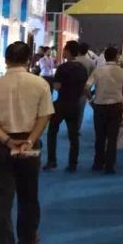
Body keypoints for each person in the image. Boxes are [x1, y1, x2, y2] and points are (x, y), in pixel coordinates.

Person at [0, 41, 53, 244]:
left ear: (6, 59)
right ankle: (27, 240)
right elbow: (44, 116)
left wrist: (8, 141)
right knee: (29, 194)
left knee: (2, 200)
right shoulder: (40, 84)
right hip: (30, 143)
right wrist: (29, 141)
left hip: (2, 146)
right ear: (29, 60)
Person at [45, 40, 89, 172]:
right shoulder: (82, 68)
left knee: (52, 132)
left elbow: (57, 87)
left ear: (68, 51)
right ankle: (73, 164)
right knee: (74, 136)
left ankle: (52, 161)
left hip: (61, 103)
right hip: (75, 104)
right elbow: (84, 86)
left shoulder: (62, 68)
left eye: (64, 49)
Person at [88, 46, 123, 175]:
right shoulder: (122, 72)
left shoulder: (98, 71)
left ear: (105, 57)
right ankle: (110, 166)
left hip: (99, 106)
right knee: (112, 138)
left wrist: (91, 100)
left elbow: (86, 87)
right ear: (116, 56)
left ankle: (98, 163)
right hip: (116, 106)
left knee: (99, 136)